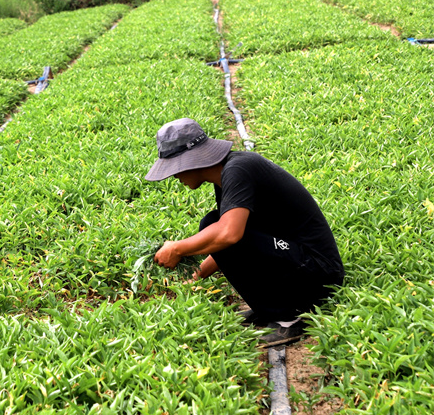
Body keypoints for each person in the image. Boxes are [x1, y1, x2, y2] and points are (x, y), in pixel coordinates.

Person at [144, 118, 344, 346]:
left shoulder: (238, 169)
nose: (175, 177)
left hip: (319, 272)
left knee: (215, 226)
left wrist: (178, 248)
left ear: (190, 161)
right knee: (213, 223)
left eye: (174, 169)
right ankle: (268, 309)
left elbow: (230, 235)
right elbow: (229, 239)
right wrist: (196, 276)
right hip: (298, 261)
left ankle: (287, 319)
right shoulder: (226, 175)